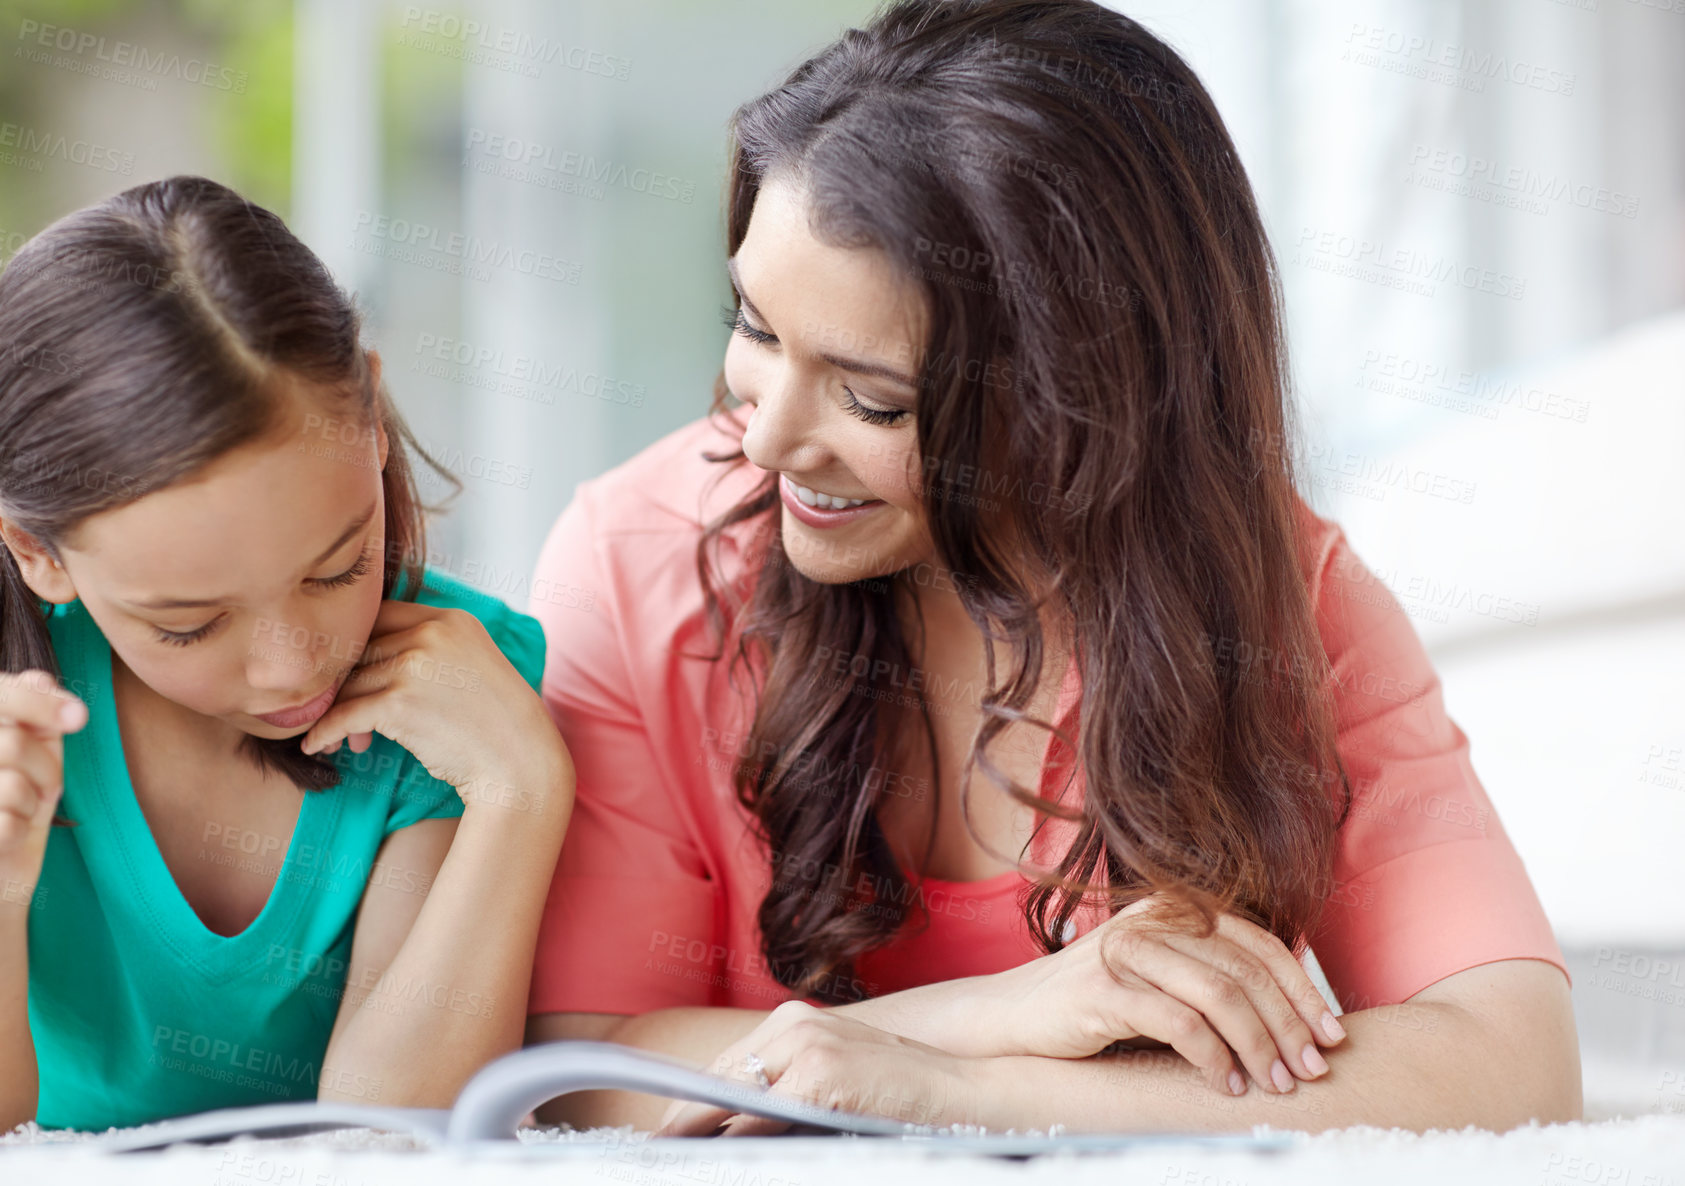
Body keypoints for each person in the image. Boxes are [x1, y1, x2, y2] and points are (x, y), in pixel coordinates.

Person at [521, 0, 1578, 1136]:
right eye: (757, 328)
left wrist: (958, 1090)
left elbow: (1507, 1055)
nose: (768, 437)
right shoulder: (637, 561)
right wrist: (1001, 1011)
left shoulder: (1279, 604)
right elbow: (580, 1061)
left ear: (1081, 394)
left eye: (871, 397)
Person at [0, 176, 575, 1131]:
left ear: (373, 420)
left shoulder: (456, 690)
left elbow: (391, 1132)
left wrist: (522, 792)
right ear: (36, 555)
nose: (292, 666)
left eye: (339, 567)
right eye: (189, 625)